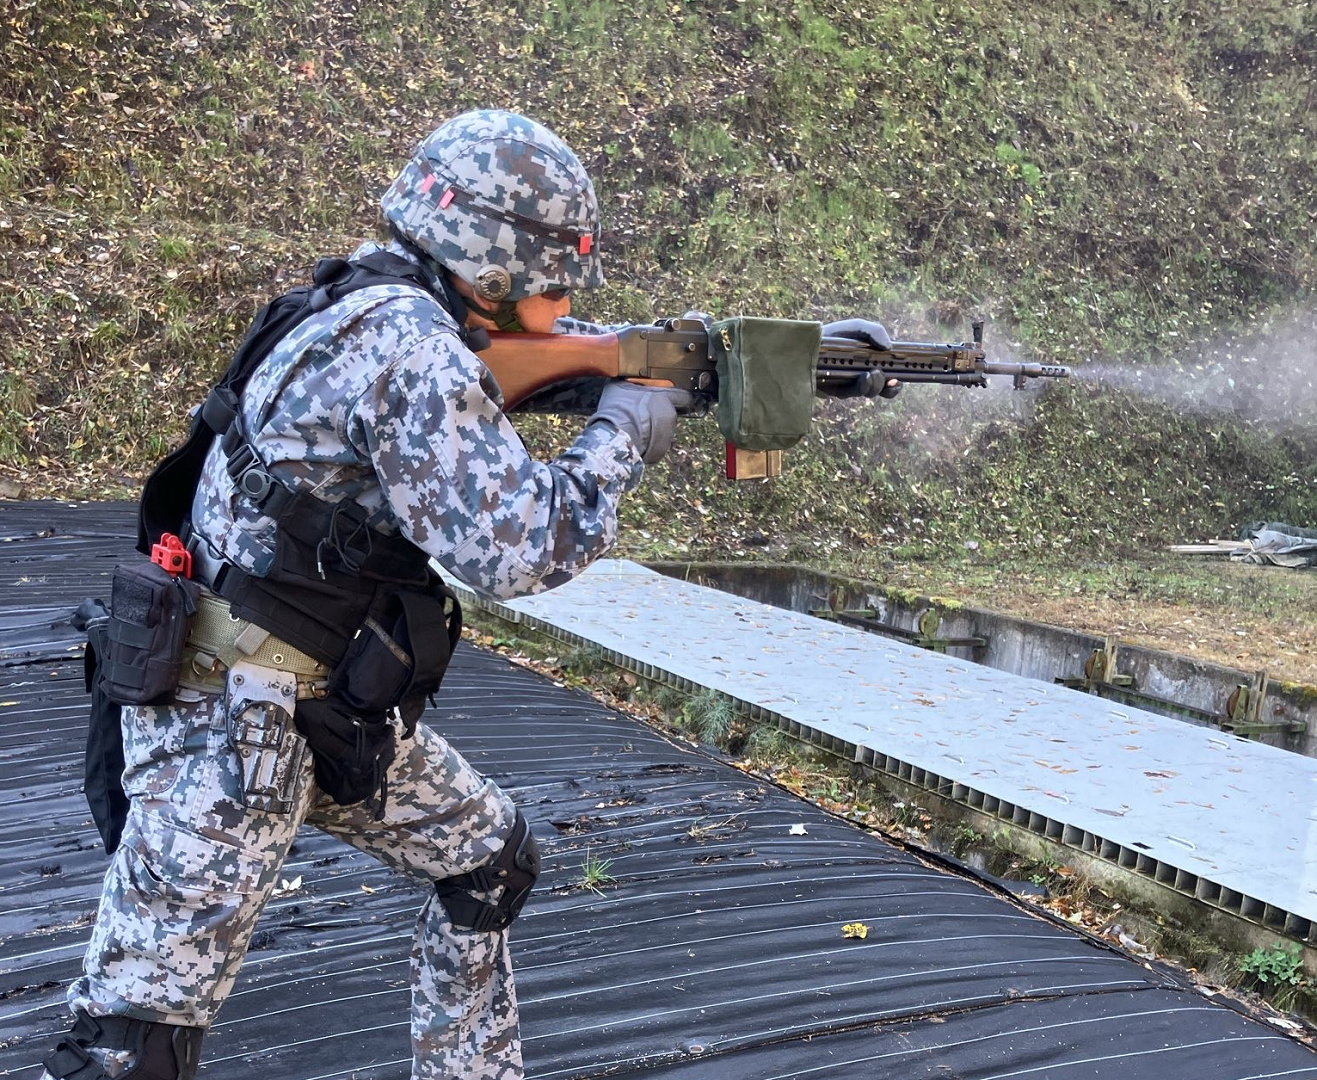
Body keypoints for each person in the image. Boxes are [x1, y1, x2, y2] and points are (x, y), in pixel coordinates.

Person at [40, 109, 895, 1080]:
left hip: (316, 704)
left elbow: (551, 359)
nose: (563, 305)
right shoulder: (414, 351)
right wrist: (622, 433)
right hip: (223, 729)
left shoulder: (369, 304)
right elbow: (522, 551)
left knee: (490, 864)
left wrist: (774, 359)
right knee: (130, 1048)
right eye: (554, 281)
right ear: (492, 272)